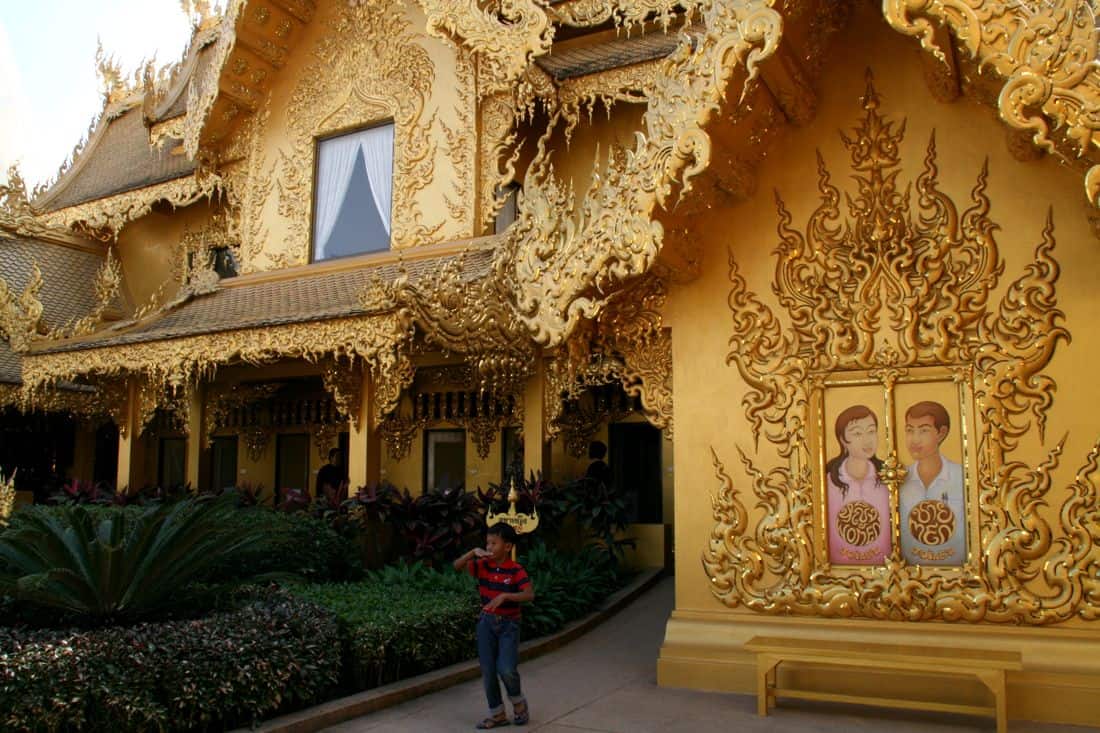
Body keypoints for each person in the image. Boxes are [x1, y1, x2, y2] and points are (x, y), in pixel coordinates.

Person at [454, 523, 535, 728]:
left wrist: (505, 595)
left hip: (509, 625)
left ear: (507, 547)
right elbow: (457, 566)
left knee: (506, 668)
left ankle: (518, 703)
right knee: (488, 670)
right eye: (487, 543)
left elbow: (528, 594)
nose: (489, 547)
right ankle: (497, 714)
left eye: (494, 543)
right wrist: (473, 552)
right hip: (486, 624)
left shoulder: (516, 570)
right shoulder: (482, 565)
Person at [900, 401, 966, 565]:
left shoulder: (962, 477)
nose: (914, 439)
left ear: (941, 433)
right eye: (910, 430)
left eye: (923, 431)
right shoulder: (899, 479)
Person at [825, 404, 891, 564]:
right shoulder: (828, 481)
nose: (867, 440)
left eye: (871, 431)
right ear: (842, 440)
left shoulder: (888, 477)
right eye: (857, 433)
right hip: (838, 572)